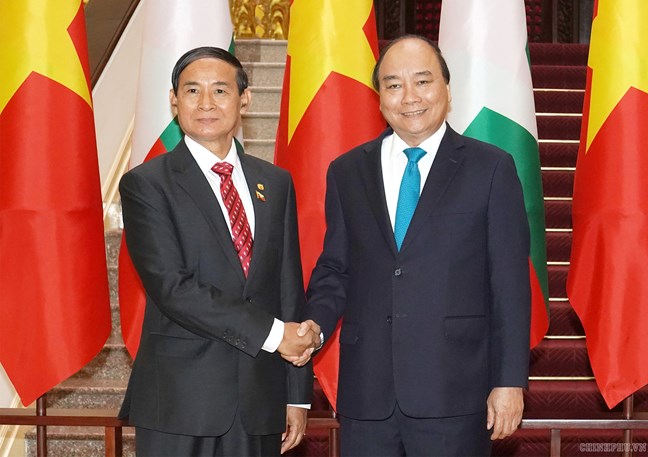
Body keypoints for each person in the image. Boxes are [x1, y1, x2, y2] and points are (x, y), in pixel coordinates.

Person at [303, 35, 531, 456]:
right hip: (367, 395)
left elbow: (510, 283)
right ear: (379, 97)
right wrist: (314, 324)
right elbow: (336, 267)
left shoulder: (491, 168)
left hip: (456, 393)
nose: (409, 97)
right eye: (393, 85)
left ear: (447, 89)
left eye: (422, 81)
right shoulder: (347, 171)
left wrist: (509, 380)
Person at [118, 46, 320, 457]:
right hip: (180, 404)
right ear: (174, 100)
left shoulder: (275, 182)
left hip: (260, 405)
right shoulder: (147, 184)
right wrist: (276, 334)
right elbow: (172, 287)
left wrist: (296, 395)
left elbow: (287, 285)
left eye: (220, 91)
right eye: (192, 91)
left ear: (244, 99)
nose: (206, 103)